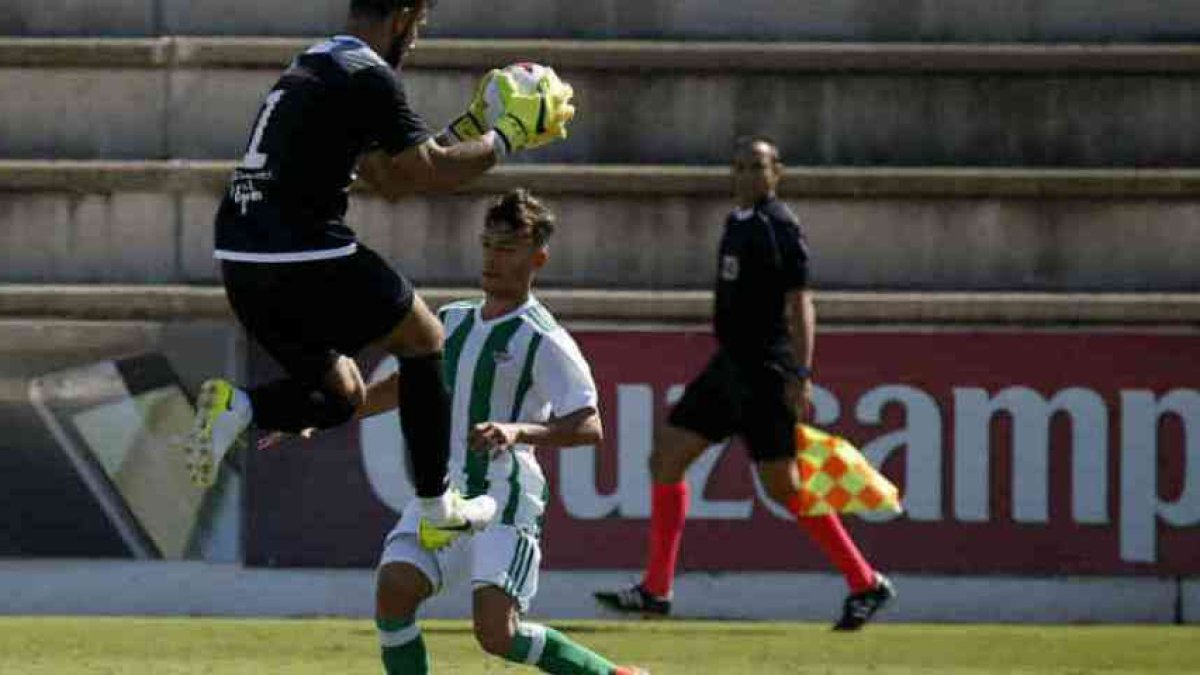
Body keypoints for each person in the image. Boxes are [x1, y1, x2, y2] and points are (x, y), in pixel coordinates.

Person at [182, 0, 573, 547]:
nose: (417, 39)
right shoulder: (370, 75)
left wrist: (469, 127)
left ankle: (239, 407)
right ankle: (438, 504)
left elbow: (386, 177)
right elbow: (425, 174)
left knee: (343, 396)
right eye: (419, 25)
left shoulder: (318, 61)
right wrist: (505, 136)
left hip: (243, 260)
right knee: (425, 338)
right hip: (301, 250)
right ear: (403, 15)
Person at [593, 136, 895, 630]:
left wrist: (800, 372)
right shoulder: (738, 223)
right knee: (666, 458)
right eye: (740, 167)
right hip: (730, 366)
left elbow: (800, 302)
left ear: (778, 173)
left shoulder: (779, 226)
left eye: (758, 166)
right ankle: (656, 589)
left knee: (784, 488)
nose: (748, 175)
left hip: (764, 371)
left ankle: (866, 582)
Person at [348, 190, 646, 674]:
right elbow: (406, 387)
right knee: (394, 591)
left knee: (496, 633)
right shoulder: (452, 320)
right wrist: (324, 412)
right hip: (445, 494)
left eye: (507, 248)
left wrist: (518, 430)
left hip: (506, 497)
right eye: (488, 244)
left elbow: (589, 425)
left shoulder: (543, 337)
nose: (492, 257)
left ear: (538, 258)